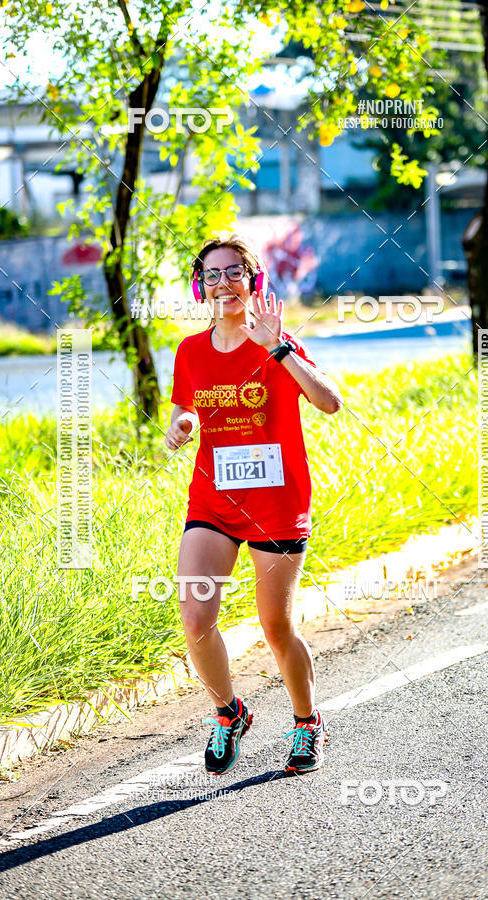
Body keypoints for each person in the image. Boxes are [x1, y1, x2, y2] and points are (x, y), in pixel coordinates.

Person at [165, 234, 343, 775]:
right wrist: (183, 425)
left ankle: (307, 722)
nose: (224, 283)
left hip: (276, 504)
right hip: (214, 502)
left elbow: (330, 402)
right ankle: (228, 713)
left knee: (275, 628)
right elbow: (186, 410)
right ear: (201, 287)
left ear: (253, 281)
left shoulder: (276, 343)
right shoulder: (190, 352)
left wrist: (279, 348)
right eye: (213, 274)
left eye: (235, 272)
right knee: (196, 615)